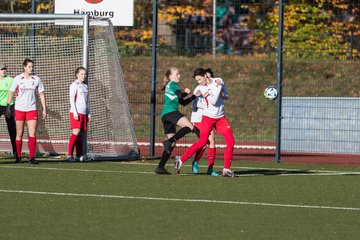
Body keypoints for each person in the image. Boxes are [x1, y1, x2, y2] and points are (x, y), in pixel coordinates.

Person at [175, 68, 235, 177]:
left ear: (205, 76)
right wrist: (218, 87)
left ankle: (226, 169)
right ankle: (181, 161)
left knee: (231, 141)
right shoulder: (202, 88)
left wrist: (222, 93)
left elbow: (226, 96)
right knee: (203, 142)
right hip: (208, 118)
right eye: (197, 80)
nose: (198, 82)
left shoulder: (218, 80)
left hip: (220, 118)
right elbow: (213, 101)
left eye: (199, 79)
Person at [155, 67, 196, 174]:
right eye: (177, 74)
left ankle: (160, 167)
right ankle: (169, 141)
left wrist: (194, 96)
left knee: (171, 146)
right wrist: (186, 92)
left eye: (179, 74)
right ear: (170, 76)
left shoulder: (170, 86)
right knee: (190, 127)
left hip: (165, 115)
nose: (179, 76)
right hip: (171, 112)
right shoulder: (173, 84)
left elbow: (183, 102)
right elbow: (180, 95)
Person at [6, 58, 47, 164]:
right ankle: (18, 157)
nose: (31, 68)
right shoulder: (18, 79)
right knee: (19, 133)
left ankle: (32, 157)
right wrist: (8, 106)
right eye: (29, 66)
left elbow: (41, 94)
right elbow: (11, 92)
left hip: (31, 109)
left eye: (32, 66)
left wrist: (44, 109)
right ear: (24, 67)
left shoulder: (36, 79)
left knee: (32, 133)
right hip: (19, 109)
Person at [190, 68, 228, 176]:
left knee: (211, 141)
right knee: (207, 141)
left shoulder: (214, 86)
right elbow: (195, 103)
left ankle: (210, 168)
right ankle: (195, 162)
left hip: (209, 117)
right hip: (198, 117)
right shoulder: (199, 87)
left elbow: (222, 97)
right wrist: (209, 103)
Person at [67, 67, 90, 162]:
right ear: (77, 74)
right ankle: (69, 155)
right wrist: (75, 113)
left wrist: (88, 113)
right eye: (81, 74)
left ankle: (79, 155)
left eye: (85, 74)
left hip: (84, 113)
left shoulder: (85, 86)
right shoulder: (74, 85)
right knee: (75, 133)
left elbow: (86, 102)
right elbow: (72, 100)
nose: (83, 76)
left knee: (81, 134)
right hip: (76, 113)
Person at [0, 63, 17, 161]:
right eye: (1, 69)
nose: (3, 71)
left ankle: (15, 151)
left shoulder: (11, 80)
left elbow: (17, 90)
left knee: (12, 129)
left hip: (9, 106)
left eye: (4, 69)